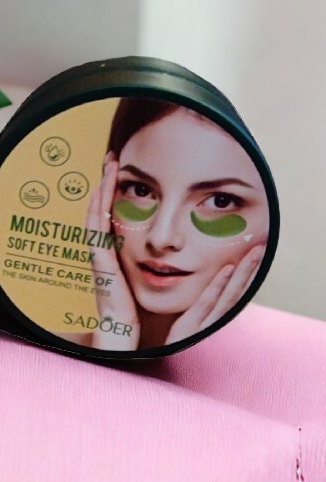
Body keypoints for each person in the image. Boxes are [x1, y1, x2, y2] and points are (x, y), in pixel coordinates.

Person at [83, 99, 269, 351]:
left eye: (220, 201)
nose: (161, 238)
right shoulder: (33, 353)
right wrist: (115, 332)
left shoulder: (309, 358)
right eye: (139, 189)